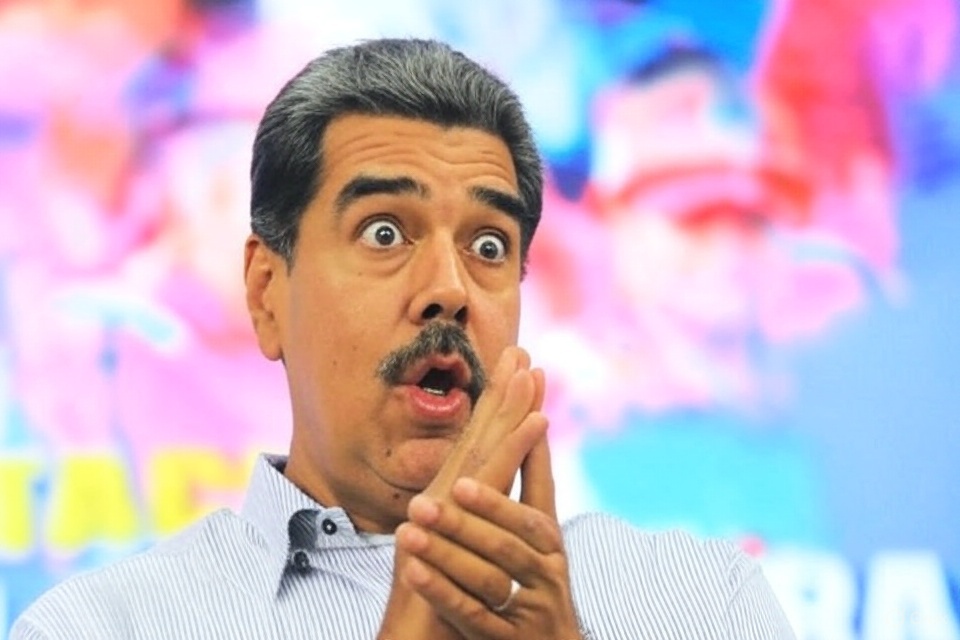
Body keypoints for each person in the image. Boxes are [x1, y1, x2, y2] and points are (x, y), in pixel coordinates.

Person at [11, 38, 796, 639]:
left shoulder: (705, 602)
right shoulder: (103, 625)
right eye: (384, 232)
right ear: (267, 293)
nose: (449, 288)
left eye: (488, 245)